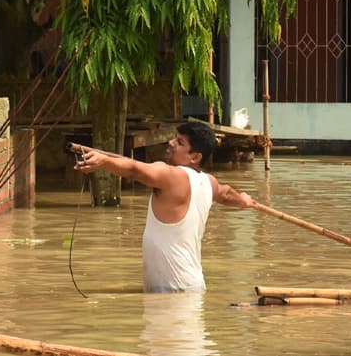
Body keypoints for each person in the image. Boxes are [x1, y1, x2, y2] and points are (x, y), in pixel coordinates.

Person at [73, 121, 255, 293]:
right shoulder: (209, 182)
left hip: (172, 290)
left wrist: (105, 161)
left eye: (179, 142)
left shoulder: (171, 175)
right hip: (191, 285)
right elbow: (225, 193)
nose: (171, 142)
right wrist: (243, 200)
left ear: (195, 157)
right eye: (175, 138)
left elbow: (134, 170)